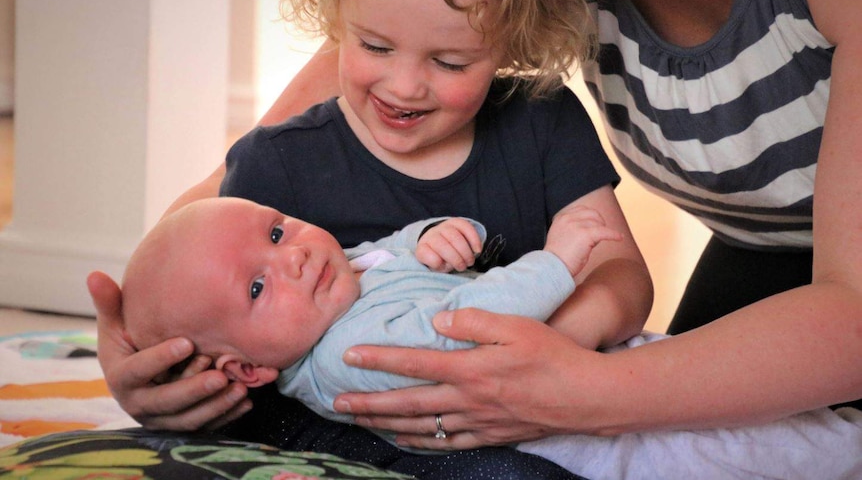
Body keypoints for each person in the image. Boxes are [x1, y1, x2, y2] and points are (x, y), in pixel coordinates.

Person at [90, 0, 862, 469]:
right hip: (762, 252)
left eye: (453, 65)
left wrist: (572, 375)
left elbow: (846, 313)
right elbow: (220, 212)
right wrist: (153, 345)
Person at [118, 197, 862, 480]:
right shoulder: (350, 356)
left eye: (277, 229)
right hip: (591, 442)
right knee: (747, 451)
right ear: (247, 367)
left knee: (748, 396)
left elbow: (399, 245)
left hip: (607, 374)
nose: (294, 256)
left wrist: (444, 233)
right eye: (257, 286)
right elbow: (477, 324)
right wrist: (560, 258)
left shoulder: (339, 277)